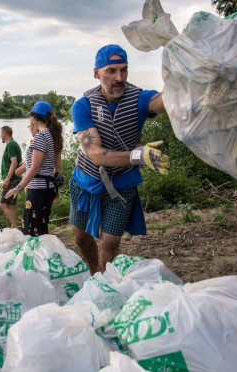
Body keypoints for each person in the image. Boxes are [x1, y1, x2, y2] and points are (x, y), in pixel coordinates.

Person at [69, 44, 170, 274]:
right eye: (112, 71)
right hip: (86, 182)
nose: (119, 77)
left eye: (124, 70)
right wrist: (138, 156)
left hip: (121, 185)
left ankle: (106, 283)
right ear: (96, 73)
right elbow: (94, 154)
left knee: (110, 242)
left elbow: (165, 101)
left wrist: (183, 74)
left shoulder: (139, 98)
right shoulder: (83, 105)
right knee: (81, 239)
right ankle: (94, 271)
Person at [5, 101, 63, 236]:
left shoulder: (41, 136)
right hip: (48, 187)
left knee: (31, 230)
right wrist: (56, 189)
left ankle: (34, 256)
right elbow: (57, 167)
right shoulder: (54, 136)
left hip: (37, 189)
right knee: (42, 227)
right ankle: (43, 255)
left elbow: (35, 168)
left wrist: (18, 188)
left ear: (35, 118)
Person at [0, 126, 23, 229]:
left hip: (12, 179)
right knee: (11, 205)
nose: (0, 135)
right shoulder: (13, 143)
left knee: (2, 204)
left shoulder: (11, 144)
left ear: (4, 133)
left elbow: (14, 162)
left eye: (1, 133)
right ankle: (14, 228)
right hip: (15, 179)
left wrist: (7, 180)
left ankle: (15, 227)